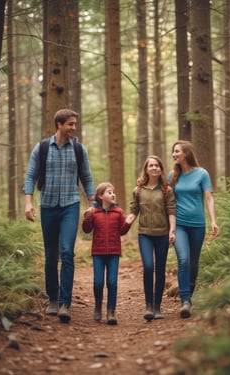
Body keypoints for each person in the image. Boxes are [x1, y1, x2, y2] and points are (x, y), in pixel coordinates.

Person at [24, 109, 95, 323]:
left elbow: (87, 177)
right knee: (50, 254)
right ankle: (52, 299)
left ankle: (65, 303)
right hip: (47, 205)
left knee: (66, 252)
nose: (74, 128)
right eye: (70, 124)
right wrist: (28, 202)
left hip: (70, 206)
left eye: (75, 124)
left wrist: (92, 203)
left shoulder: (79, 150)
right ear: (59, 124)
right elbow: (30, 175)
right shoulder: (43, 148)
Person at [168, 140, 219, 319]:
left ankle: (189, 294)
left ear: (187, 153)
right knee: (183, 259)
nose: (174, 155)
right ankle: (185, 301)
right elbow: (165, 199)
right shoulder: (172, 176)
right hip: (179, 224)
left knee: (194, 261)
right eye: (173, 152)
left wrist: (213, 221)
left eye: (177, 151)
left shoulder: (202, 173)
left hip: (198, 224)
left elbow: (209, 198)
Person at [128, 156, 176, 321]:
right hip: (145, 235)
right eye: (151, 165)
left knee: (160, 269)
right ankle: (148, 306)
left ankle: (157, 307)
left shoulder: (167, 190)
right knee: (148, 267)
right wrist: (126, 222)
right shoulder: (138, 190)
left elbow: (171, 210)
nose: (154, 168)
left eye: (157, 165)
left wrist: (172, 231)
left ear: (161, 169)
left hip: (162, 234)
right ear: (146, 169)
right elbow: (134, 210)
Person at [82, 182, 132, 325]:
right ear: (100, 196)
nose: (113, 194)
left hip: (114, 252)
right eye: (109, 192)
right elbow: (86, 230)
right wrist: (87, 218)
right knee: (98, 282)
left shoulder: (119, 212)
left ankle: (111, 311)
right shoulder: (94, 212)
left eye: (113, 192)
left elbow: (122, 230)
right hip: (98, 252)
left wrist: (128, 223)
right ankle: (98, 307)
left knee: (112, 282)